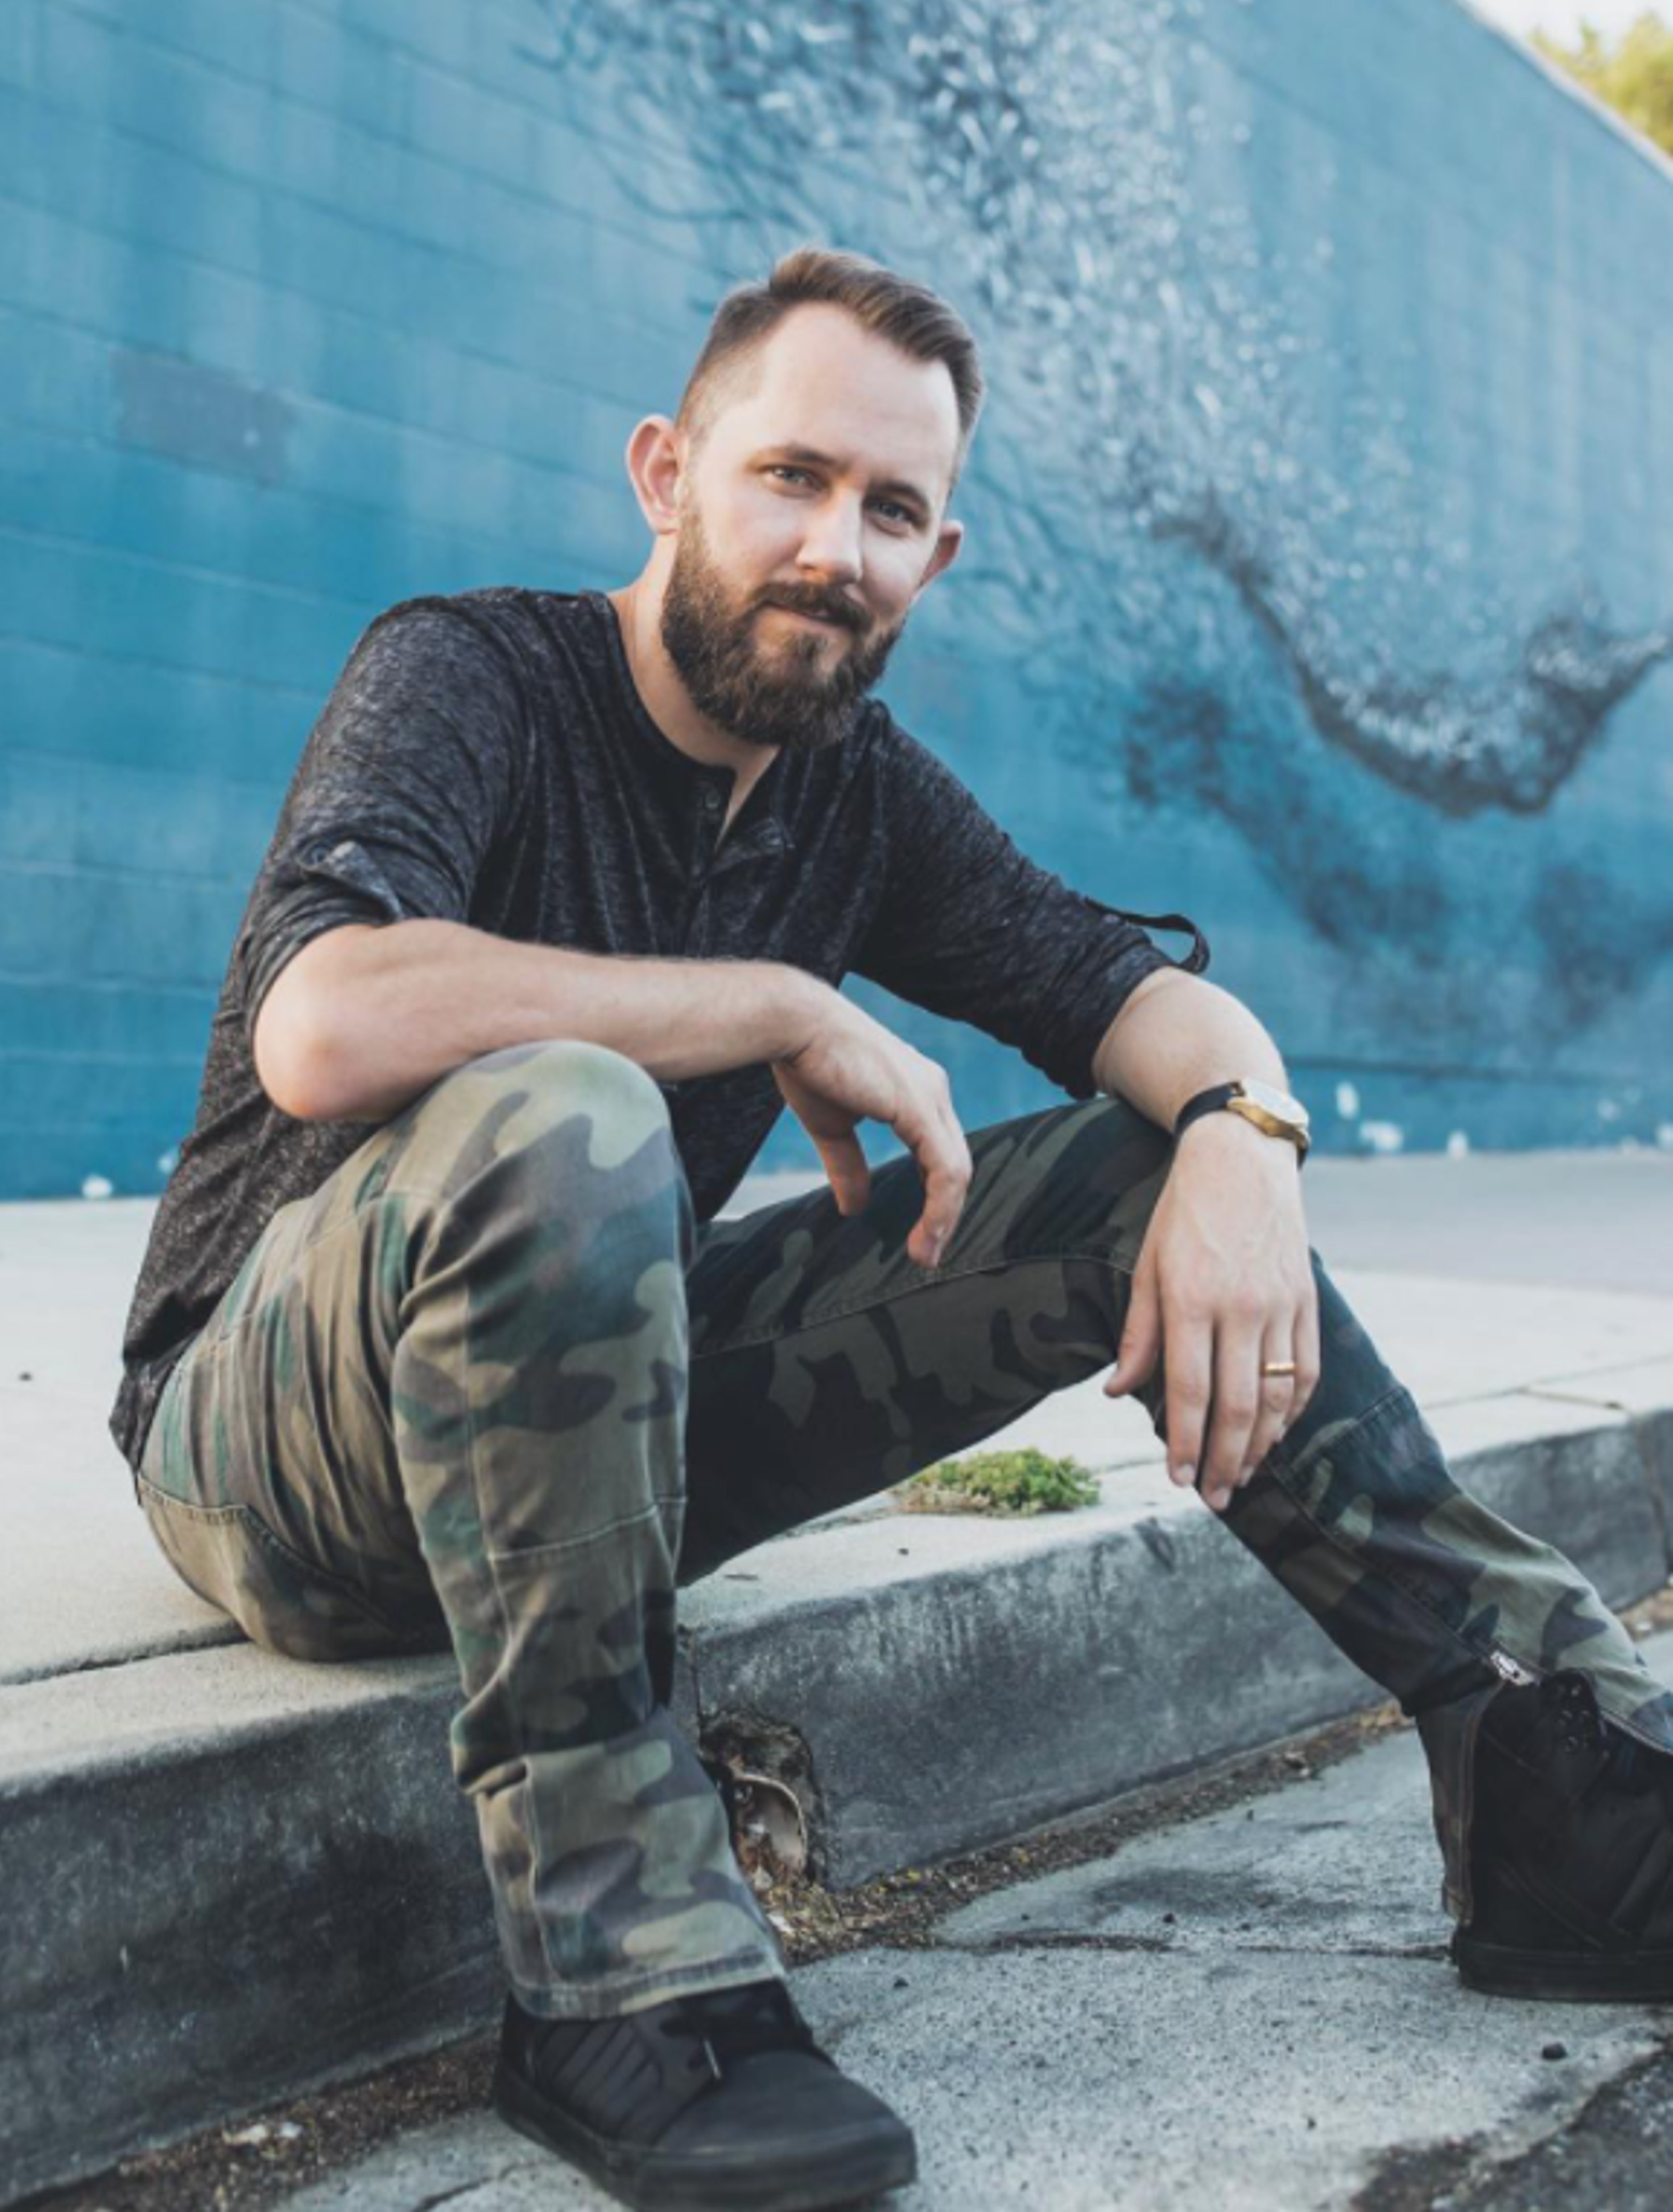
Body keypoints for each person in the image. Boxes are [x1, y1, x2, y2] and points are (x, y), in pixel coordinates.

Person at [115, 248, 1671, 2211]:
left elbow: (1129, 991)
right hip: (270, 1447)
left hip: (589, 1432)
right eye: (791, 477)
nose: (833, 546)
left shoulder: (858, 793)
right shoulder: (472, 672)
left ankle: (1552, 1775)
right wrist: (771, 1004)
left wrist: (1247, 1137)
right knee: (569, 1111)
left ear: (938, 557)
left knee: (1143, 1160)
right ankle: (615, 1965)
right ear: (667, 471)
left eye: (891, 512)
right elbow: (325, 1016)